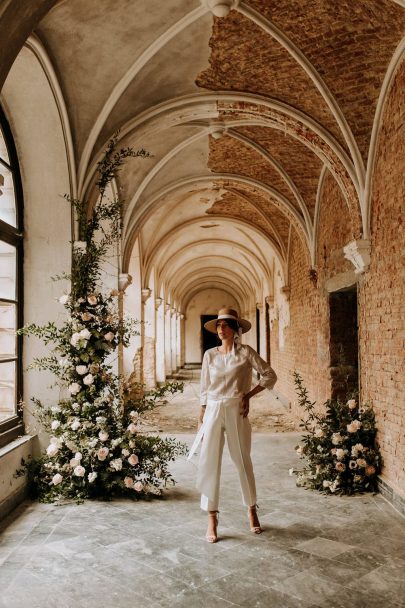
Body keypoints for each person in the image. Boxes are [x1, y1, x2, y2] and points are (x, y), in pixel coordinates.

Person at [188, 308, 277, 543]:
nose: (221, 329)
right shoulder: (210, 355)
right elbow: (204, 390)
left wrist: (248, 395)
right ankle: (212, 517)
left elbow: (269, 375)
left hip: (237, 410)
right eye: (218, 325)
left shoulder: (246, 353)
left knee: (242, 460)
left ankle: (251, 509)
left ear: (236, 329)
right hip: (214, 411)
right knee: (210, 463)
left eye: (226, 325)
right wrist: (201, 418)